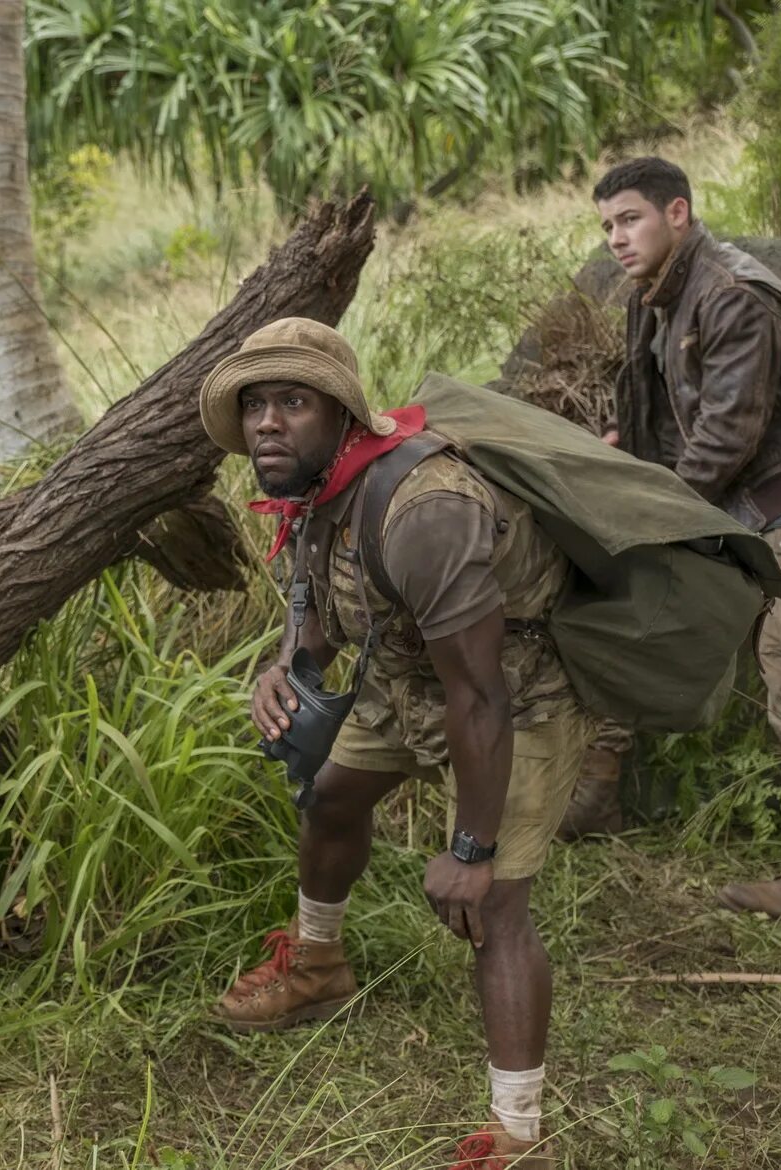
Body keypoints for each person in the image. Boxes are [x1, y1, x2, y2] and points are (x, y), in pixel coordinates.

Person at [203, 318, 584, 1169]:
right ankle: (317, 966)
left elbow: (478, 693)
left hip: (512, 698)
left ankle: (517, 1135)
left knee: (490, 909)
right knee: (332, 797)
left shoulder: (425, 510)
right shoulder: (312, 494)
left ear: (341, 414)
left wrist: (469, 848)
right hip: (406, 681)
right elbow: (316, 617)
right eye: (255, 403)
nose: (266, 421)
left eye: (292, 401)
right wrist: (282, 669)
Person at [587, 156, 781, 917]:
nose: (616, 237)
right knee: (624, 616)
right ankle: (594, 793)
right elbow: (667, 419)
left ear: (677, 212)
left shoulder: (730, 291)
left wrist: (651, 514)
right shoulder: (658, 295)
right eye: (607, 224)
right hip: (738, 508)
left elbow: (727, 434)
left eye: (630, 218)